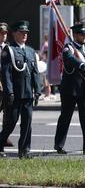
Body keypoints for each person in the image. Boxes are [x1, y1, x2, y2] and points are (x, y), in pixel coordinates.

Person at [54, 23, 85, 155]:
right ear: (74, 35)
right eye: (81, 34)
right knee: (65, 117)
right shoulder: (68, 48)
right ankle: (59, 145)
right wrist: (81, 64)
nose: (84, 36)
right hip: (70, 89)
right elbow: (69, 59)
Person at [0, 20, 41, 158]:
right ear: (14, 34)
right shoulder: (9, 50)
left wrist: (38, 90)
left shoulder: (30, 51)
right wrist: (9, 92)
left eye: (26, 33)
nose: (24, 35)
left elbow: (35, 72)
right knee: (10, 123)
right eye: (21, 32)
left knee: (27, 124)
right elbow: (6, 74)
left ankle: (25, 151)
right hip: (15, 94)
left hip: (28, 93)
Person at [0, 22, 14, 148]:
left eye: (5, 33)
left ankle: (4, 137)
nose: (4, 35)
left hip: (7, 85)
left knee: (8, 113)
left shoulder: (9, 48)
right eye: (1, 33)